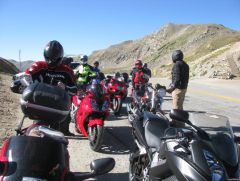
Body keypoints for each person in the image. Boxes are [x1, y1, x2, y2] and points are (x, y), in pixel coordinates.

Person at [24, 40, 76, 136]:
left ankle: (65, 132)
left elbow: (74, 89)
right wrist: (27, 83)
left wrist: (65, 88)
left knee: (62, 127)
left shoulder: (67, 71)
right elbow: (27, 75)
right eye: (48, 59)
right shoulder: (39, 65)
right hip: (40, 101)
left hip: (59, 104)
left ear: (60, 58)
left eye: (54, 59)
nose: (51, 62)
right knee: (36, 128)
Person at [166, 50, 189, 127]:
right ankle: (175, 121)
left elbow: (176, 78)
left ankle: (179, 124)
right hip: (184, 88)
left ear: (175, 56)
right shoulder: (185, 64)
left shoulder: (177, 65)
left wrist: (172, 88)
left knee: (176, 107)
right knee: (180, 105)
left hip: (178, 89)